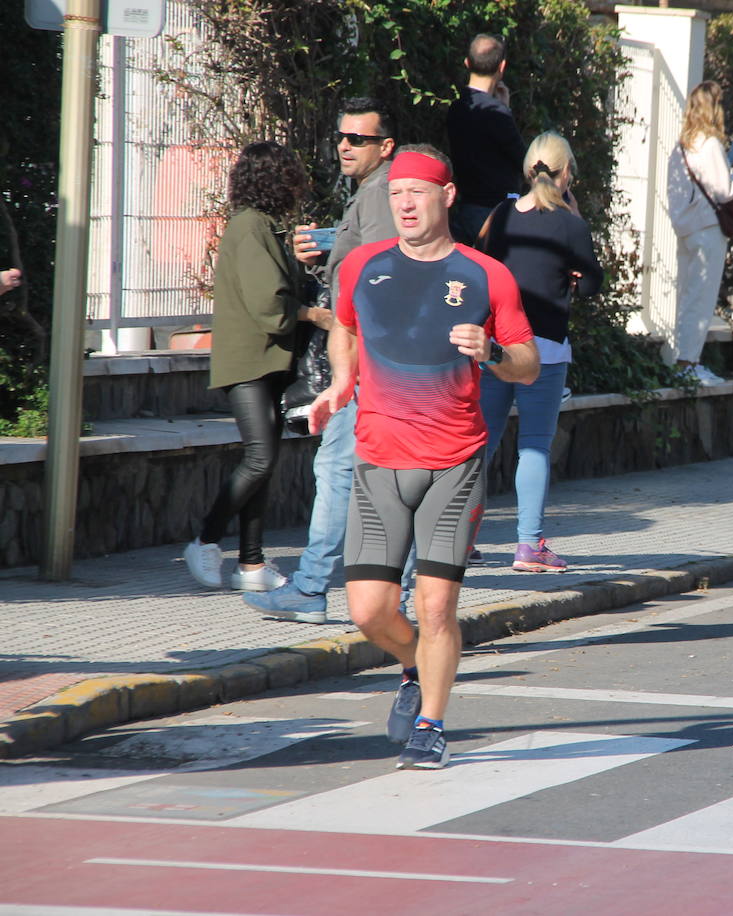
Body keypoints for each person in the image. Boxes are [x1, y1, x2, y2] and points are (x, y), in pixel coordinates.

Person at [308, 145, 538, 769]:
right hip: (379, 460)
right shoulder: (361, 266)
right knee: (369, 611)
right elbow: (345, 327)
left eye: (418, 191)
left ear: (448, 195)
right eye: (397, 193)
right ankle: (412, 667)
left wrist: (490, 352)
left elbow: (529, 365)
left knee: (436, 605)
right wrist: (340, 383)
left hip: (453, 463)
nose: (405, 203)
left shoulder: (488, 276)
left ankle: (431, 725)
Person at [242, 97, 398, 625]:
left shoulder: (380, 194)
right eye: (342, 137)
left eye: (359, 139)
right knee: (386, 476)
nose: (345, 146)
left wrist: (331, 255)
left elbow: (379, 268)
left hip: (370, 359)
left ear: (385, 146)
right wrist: (330, 247)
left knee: (339, 469)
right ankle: (400, 593)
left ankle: (312, 588)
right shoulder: (373, 193)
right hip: (376, 359)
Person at [183, 142, 332, 590]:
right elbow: (268, 301)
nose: (298, 184)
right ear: (275, 180)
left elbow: (275, 288)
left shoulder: (261, 226)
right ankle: (205, 541)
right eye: (291, 176)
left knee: (263, 461)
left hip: (264, 359)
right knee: (261, 458)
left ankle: (251, 565)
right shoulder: (250, 227)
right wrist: (313, 315)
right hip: (249, 359)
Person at [476, 131, 603, 572]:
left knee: (482, 442)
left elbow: (481, 265)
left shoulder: (503, 213)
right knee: (533, 447)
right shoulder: (571, 223)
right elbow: (589, 284)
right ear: (566, 173)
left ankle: (457, 536)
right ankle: (529, 547)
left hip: (496, 348)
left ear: (528, 170)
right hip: (545, 350)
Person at [665, 80, 733, 385]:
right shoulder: (709, 143)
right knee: (701, 297)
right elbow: (724, 191)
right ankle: (689, 364)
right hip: (707, 228)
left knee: (688, 296)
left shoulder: (682, 144)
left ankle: (682, 361)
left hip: (686, 228)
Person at [445, 33, 525, 245]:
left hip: (464, 208)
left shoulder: (455, 106)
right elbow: (521, 159)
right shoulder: (496, 112)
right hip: (496, 212)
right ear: (502, 66)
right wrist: (505, 109)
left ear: (467, 63)